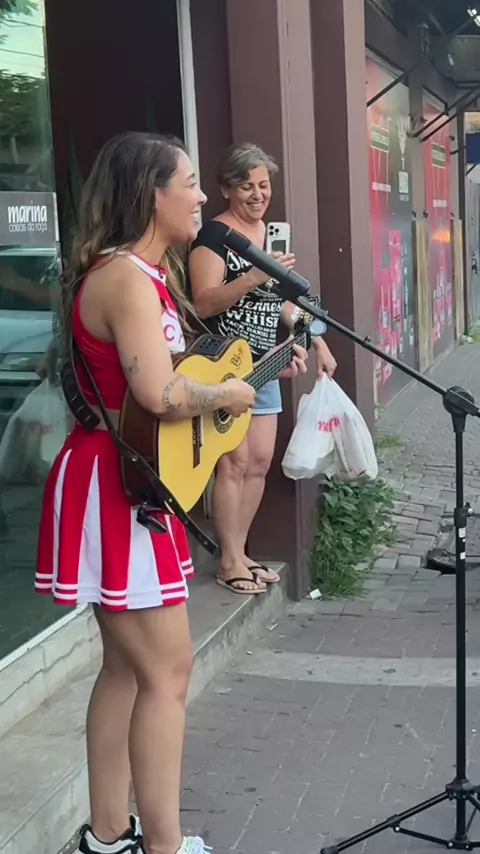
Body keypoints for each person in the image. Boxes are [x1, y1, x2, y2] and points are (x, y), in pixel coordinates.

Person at [35, 133, 308, 854]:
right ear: (150, 194)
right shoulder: (126, 277)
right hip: (116, 484)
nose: (201, 196)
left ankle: (107, 835)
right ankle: (162, 844)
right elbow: (161, 393)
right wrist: (229, 393)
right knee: (167, 671)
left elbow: (161, 381)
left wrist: (245, 377)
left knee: (127, 669)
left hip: (123, 478)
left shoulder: (139, 273)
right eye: (189, 182)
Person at [189, 142, 337, 594]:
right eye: (246, 186)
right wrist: (251, 277)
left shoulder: (272, 236)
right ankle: (228, 560)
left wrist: (318, 341)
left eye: (263, 185)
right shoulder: (215, 237)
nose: (257, 195)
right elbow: (203, 301)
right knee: (233, 463)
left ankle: (241, 552)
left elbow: (284, 303)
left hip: (264, 364)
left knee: (258, 463)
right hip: (225, 366)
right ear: (225, 190)